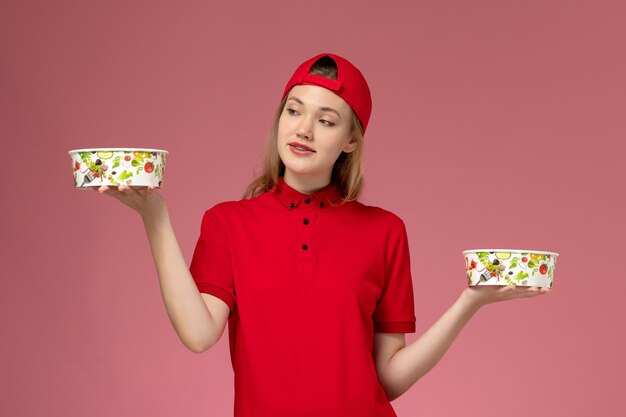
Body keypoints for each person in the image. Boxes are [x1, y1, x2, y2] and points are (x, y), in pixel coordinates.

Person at [93, 52, 551, 417]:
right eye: (294, 111)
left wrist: (469, 301)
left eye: (327, 120)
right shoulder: (227, 224)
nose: (304, 130)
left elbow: (388, 379)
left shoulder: (385, 231)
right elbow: (197, 334)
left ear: (351, 139)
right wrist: (154, 216)